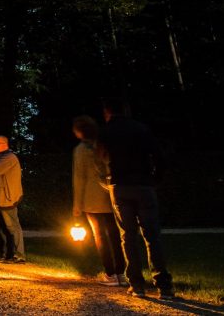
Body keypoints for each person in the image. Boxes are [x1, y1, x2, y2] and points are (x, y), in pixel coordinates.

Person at [97, 98, 175, 299]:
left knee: (127, 236)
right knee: (152, 236)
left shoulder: (105, 132)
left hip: (120, 186)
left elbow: (99, 161)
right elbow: (159, 156)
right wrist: (154, 179)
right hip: (143, 185)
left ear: (107, 112)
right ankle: (164, 285)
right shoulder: (141, 129)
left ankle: (137, 284)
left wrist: (107, 182)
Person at [72, 115, 126, 286]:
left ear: (79, 132)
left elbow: (79, 178)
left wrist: (77, 204)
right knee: (116, 234)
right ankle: (122, 273)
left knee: (100, 236)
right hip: (110, 194)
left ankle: (110, 274)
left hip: (91, 198)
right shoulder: (104, 144)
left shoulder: (81, 150)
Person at [0, 135, 25, 263]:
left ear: (5, 144)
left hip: (9, 197)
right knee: (8, 227)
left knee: (13, 226)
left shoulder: (9, 157)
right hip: (4, 197)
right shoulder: (1, 157)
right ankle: (12, 254)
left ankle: (20, 255)